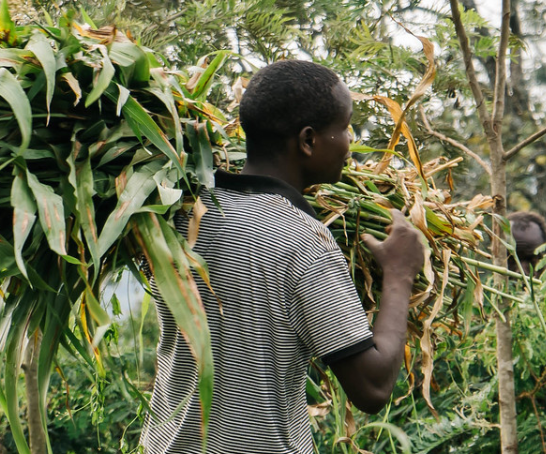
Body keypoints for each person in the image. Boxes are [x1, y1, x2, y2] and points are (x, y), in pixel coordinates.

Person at [142, 60, 423, 453]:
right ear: (308, 140)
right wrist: (399, 274)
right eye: (344, 128)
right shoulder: (304, 241)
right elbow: (372, 387)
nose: (349, 140)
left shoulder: (178, 212)